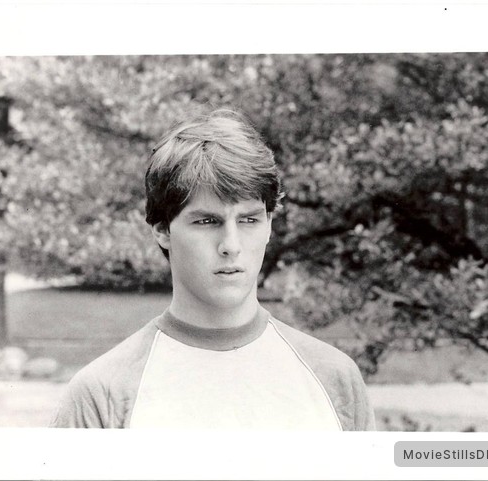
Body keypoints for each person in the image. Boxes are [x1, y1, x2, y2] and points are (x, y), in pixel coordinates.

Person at [50, 108, 375, 430]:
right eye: (207, 221)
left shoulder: (335, 381)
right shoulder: (102, 396)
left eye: (249, 220)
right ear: (162, 229)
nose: (231, 245)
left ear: (269, 225)